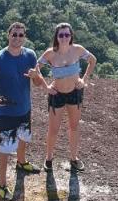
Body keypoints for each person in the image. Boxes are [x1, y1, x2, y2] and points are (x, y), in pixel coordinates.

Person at [0, 21, 44, 201]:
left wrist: (37, 76)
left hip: (25, 108)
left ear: (24, 37)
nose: (17, 38)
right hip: (6, 113)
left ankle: (22, 163)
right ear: (8, 35)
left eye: (21, 35)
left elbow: (38, 83)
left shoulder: (30, 56)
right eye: (14, 34)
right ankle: (2, 185)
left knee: (24, 138)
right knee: (5, 148)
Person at [37, 22, 96, 174]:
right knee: (53, 129)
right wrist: (46, 87)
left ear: (71, 36)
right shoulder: (50, 53)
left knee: (74, 127)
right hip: (57, 94)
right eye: (61, 35)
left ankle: (74, 158)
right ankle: (49, 158)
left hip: (74, 92)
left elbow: (92, 60)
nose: (64, 37)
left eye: (67, 34)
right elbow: (36, 68)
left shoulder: (77, 50)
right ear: (56, 37)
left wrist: (84, 79)